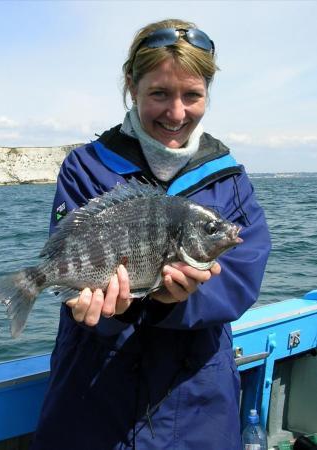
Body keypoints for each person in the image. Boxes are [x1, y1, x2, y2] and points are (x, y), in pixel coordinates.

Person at [31, 18, 271, 450]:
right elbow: (74, 258)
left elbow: (242, 274)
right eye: (159, 93)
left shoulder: (230, 178)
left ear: (207, 94)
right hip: (92, 401)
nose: (176, 113)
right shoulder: (87, 167)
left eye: (192, 95)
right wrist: (102, 307)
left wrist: (180, 299)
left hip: (198, 407)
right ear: (132, 85)